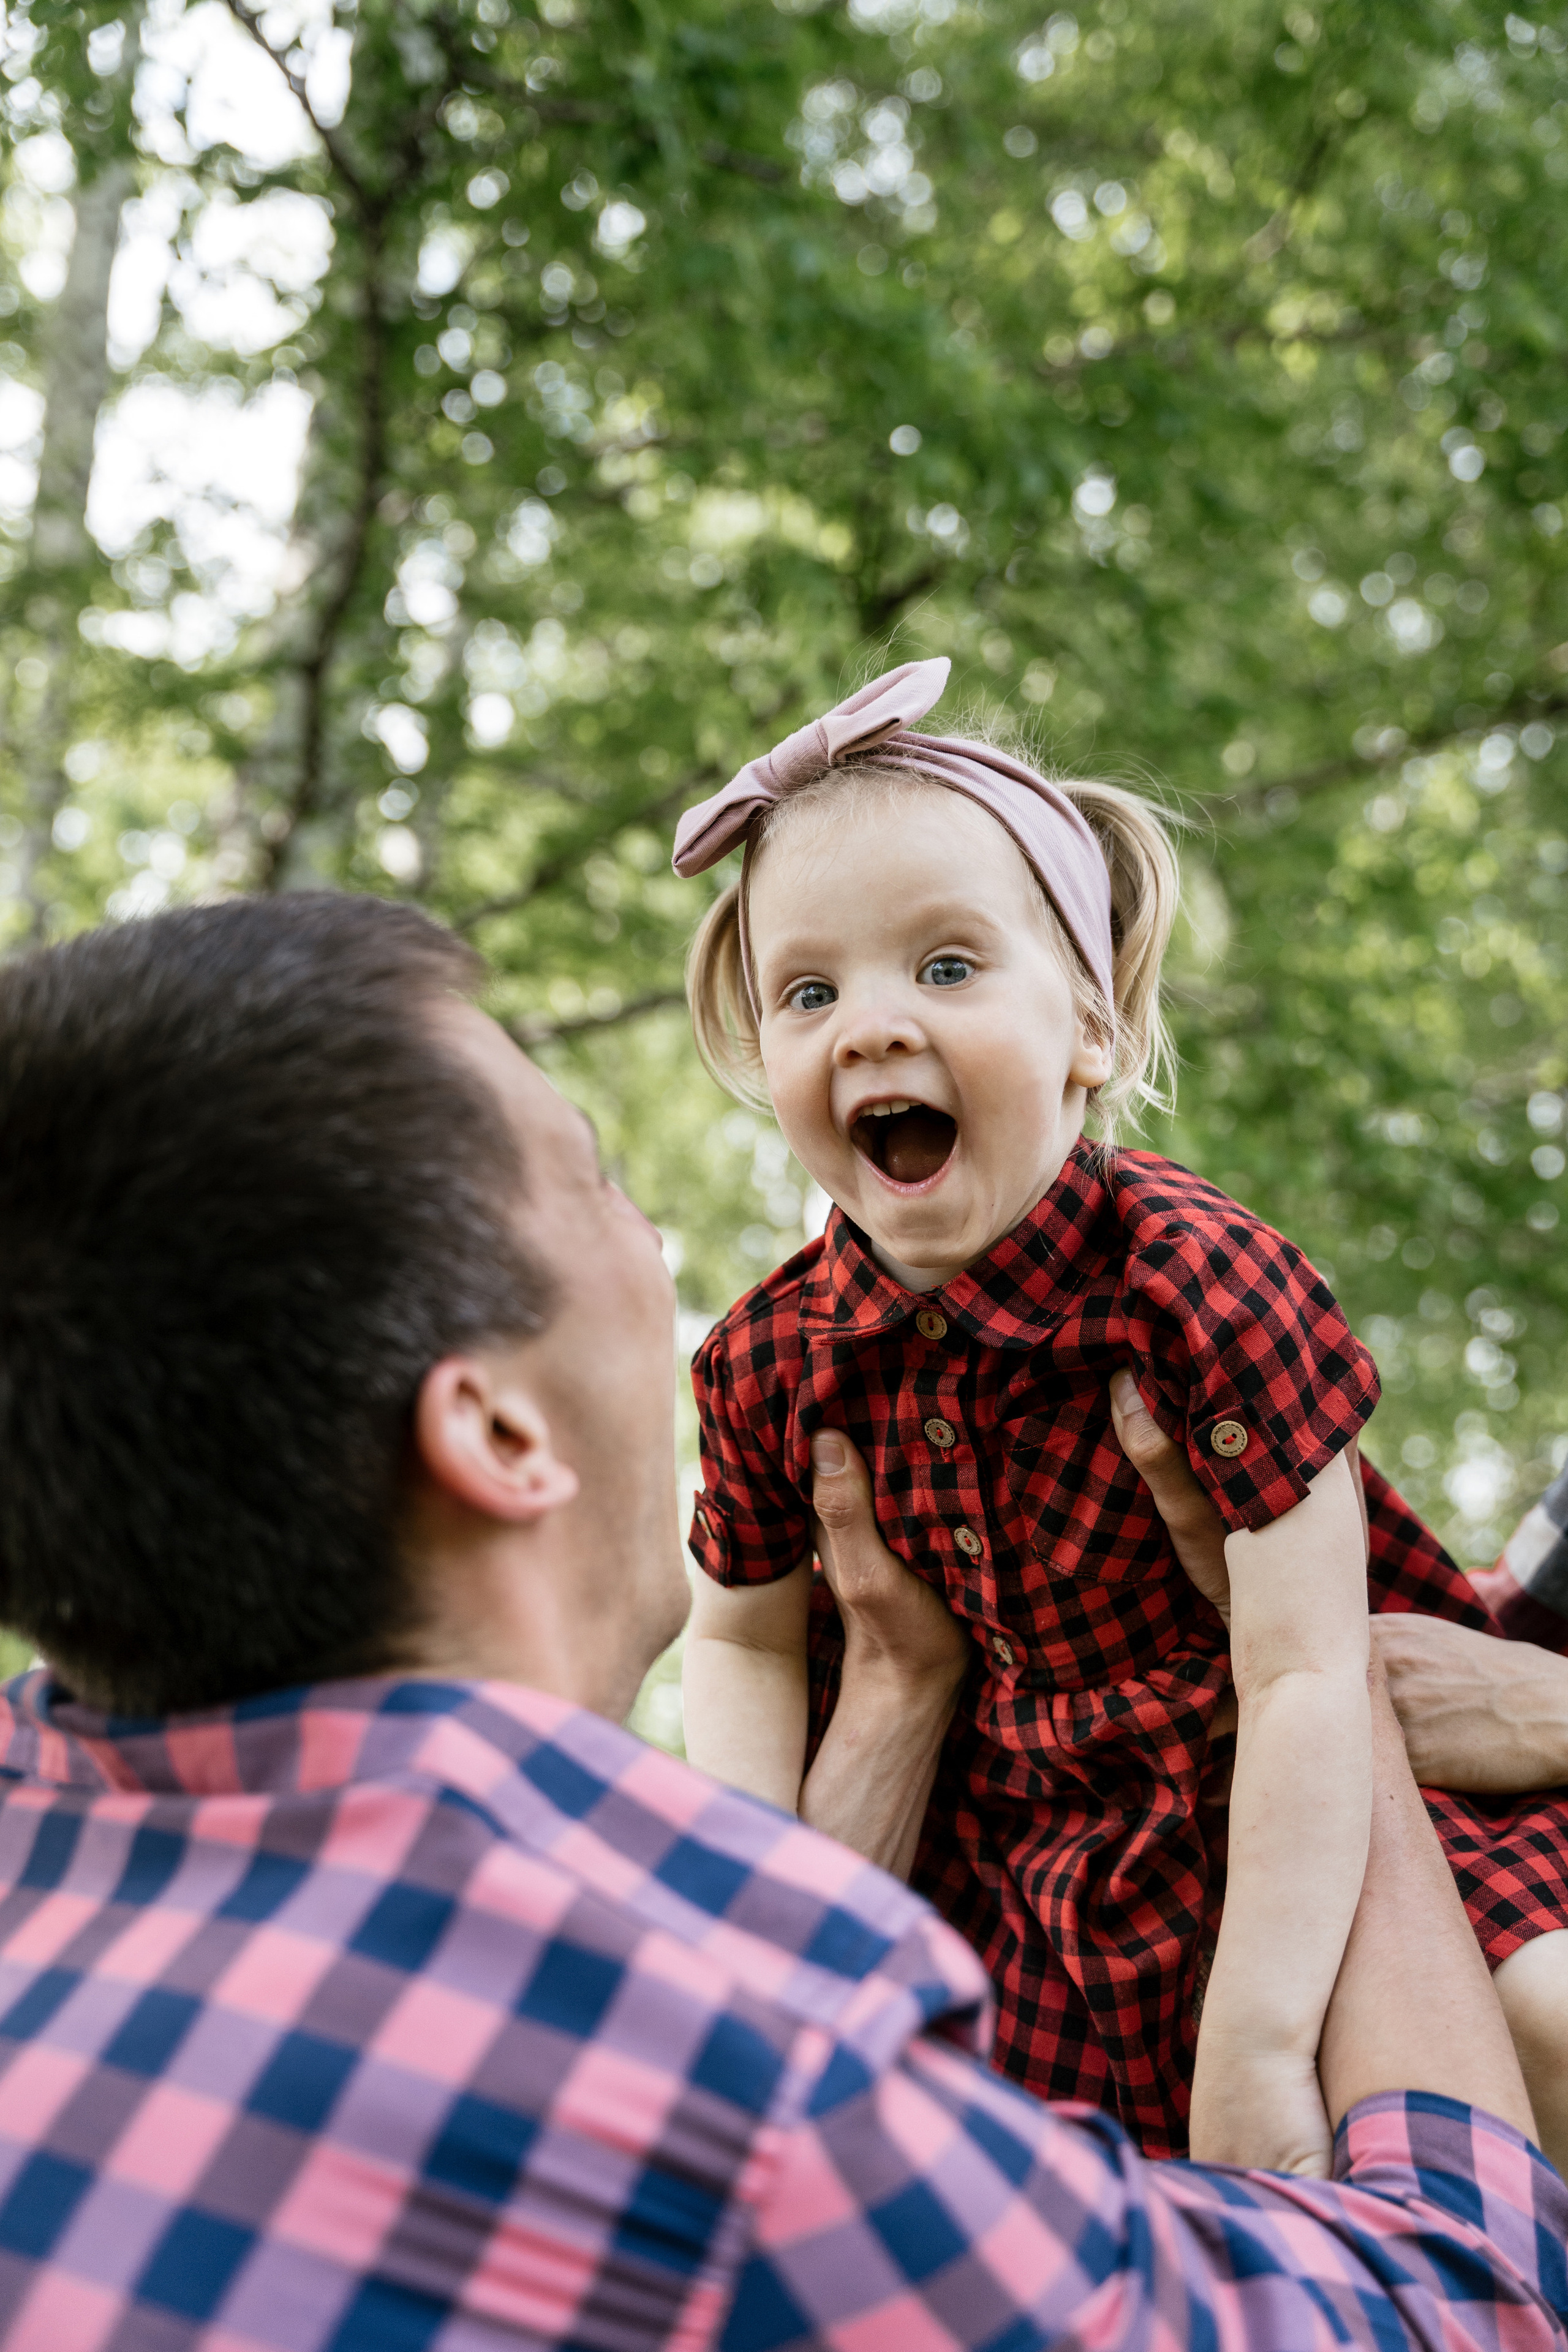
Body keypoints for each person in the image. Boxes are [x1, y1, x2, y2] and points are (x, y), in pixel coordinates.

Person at [0, 892, 1562, 2352]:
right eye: (596, 1178)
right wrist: (1304, 1658)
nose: (657, 1247)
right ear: (498, 1435)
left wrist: (897, 1700)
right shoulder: (749, 2086)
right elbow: (1450, 2308)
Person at [671, 654, 1568, 2169]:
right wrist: (751, 1914)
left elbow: (1303, 1675)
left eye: (944, 969)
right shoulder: (767, 1360)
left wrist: (1257, 2040)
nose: (869, 1026)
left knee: (1542, 2017)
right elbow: (741, 1640)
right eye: (808, 993)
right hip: (1025, 1871)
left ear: (1088, 1029)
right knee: (978, 2201)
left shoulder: (1197, 1288)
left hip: (1296, 1803)